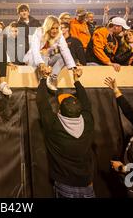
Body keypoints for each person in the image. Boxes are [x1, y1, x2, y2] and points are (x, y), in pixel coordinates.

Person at [36, 68, 95, 198]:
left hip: (65, 187)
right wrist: (77, 80)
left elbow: (41, 102)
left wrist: (43, 78)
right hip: (87, 186)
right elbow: (86, 102)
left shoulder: (54, 125)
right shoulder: (88, 121)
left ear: (60, 111)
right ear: (80, 111)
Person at [24, 15, 77, 91]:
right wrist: (41, 63)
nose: (55, 31)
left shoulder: (59, 35)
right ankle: (43, 79)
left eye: (56, 28)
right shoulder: (39, 31)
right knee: (43, 53)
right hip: (34, 59)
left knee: (62, 56)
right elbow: (35, 49)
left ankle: (51, 78)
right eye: (52, 28)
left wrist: (73, 67)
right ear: (47, 27)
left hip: (47, 60)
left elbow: (65, 50)